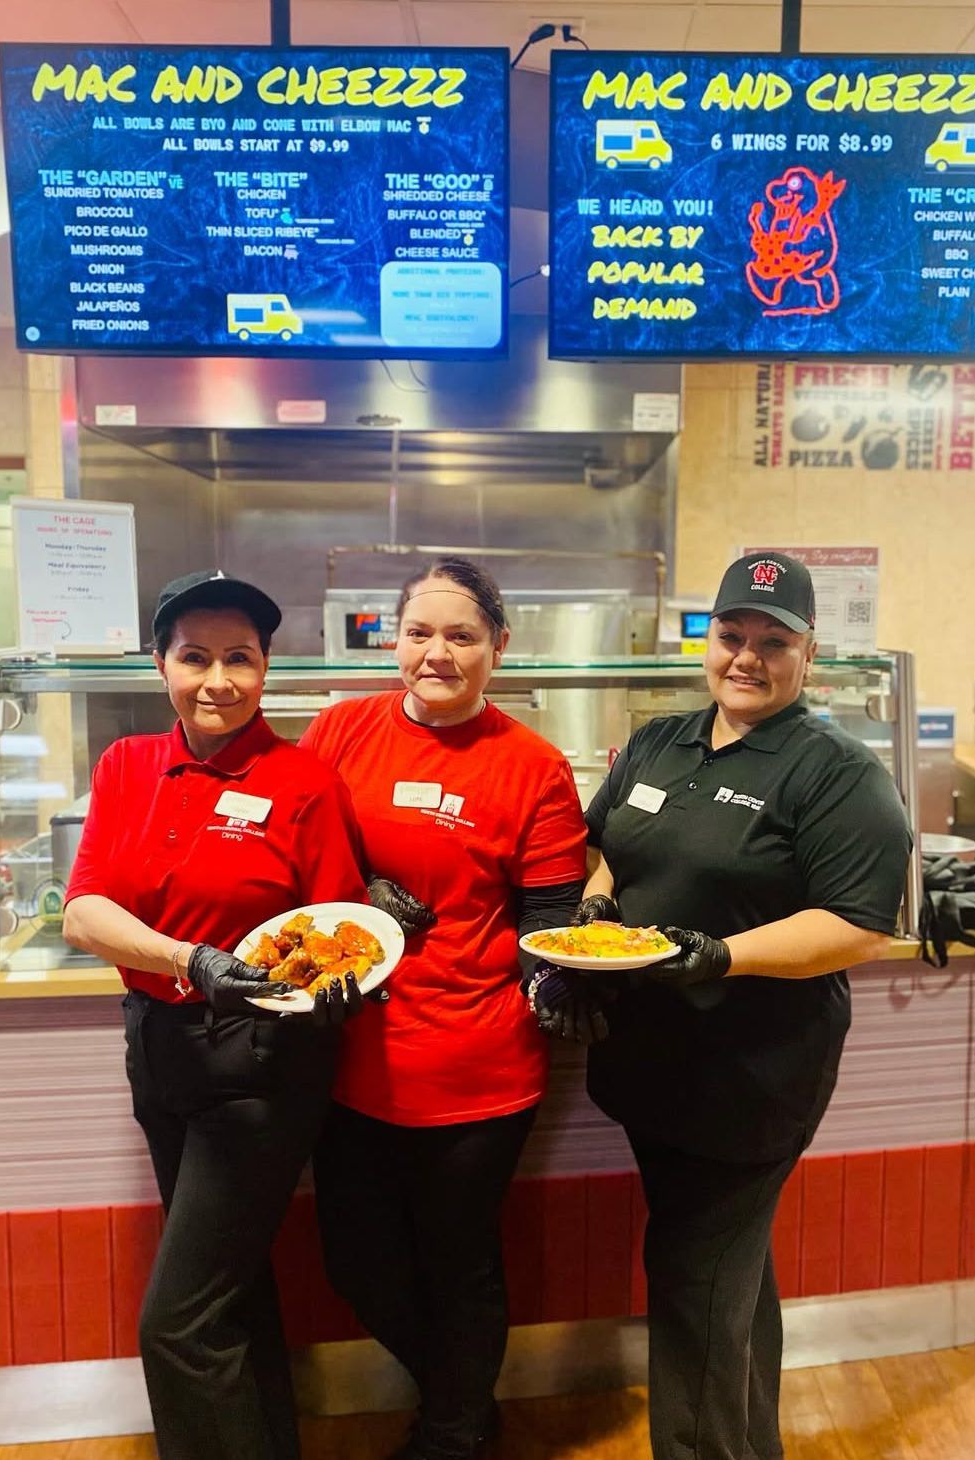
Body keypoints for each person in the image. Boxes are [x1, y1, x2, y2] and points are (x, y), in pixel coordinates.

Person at [572, 551, 912, 1460]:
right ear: (707, 640)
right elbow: (607, 848)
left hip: (751, 1076)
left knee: (693, 1282)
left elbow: (856, 925)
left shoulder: (835, 771)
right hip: (649, 1063)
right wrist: (599, 906)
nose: (746, 658)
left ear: (809, 652)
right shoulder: (659, 741)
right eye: (730, 636)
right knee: (723, 1280)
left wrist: (719, 955)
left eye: (773, 641)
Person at [62, 569, 371, 1460]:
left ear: (266, 668)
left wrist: (339, 979)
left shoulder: (303, 781)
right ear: (161, 663)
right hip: (159, 1044)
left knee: (178, 1322)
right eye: (195, 657)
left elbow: (335, 926)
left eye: (240, 658)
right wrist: (192, 962)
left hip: (262, 1060)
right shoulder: (126, 766)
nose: (217, 680)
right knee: (226, 1293)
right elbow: (87, 913)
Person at [301, 556, 587, 1460]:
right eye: (418, 631)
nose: (436, 653)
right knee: (358, 1262)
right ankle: (459, 1393)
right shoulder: (340, 731)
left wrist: (559, 985)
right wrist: (357, 890)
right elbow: (293, 858)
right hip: (351, 1053)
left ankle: (455, 1431)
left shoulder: (534, 767)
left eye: (460, 635)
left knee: (459, 1263)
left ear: (497, 648)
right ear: (392, 638)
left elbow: (547, 919)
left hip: (478, 1061)